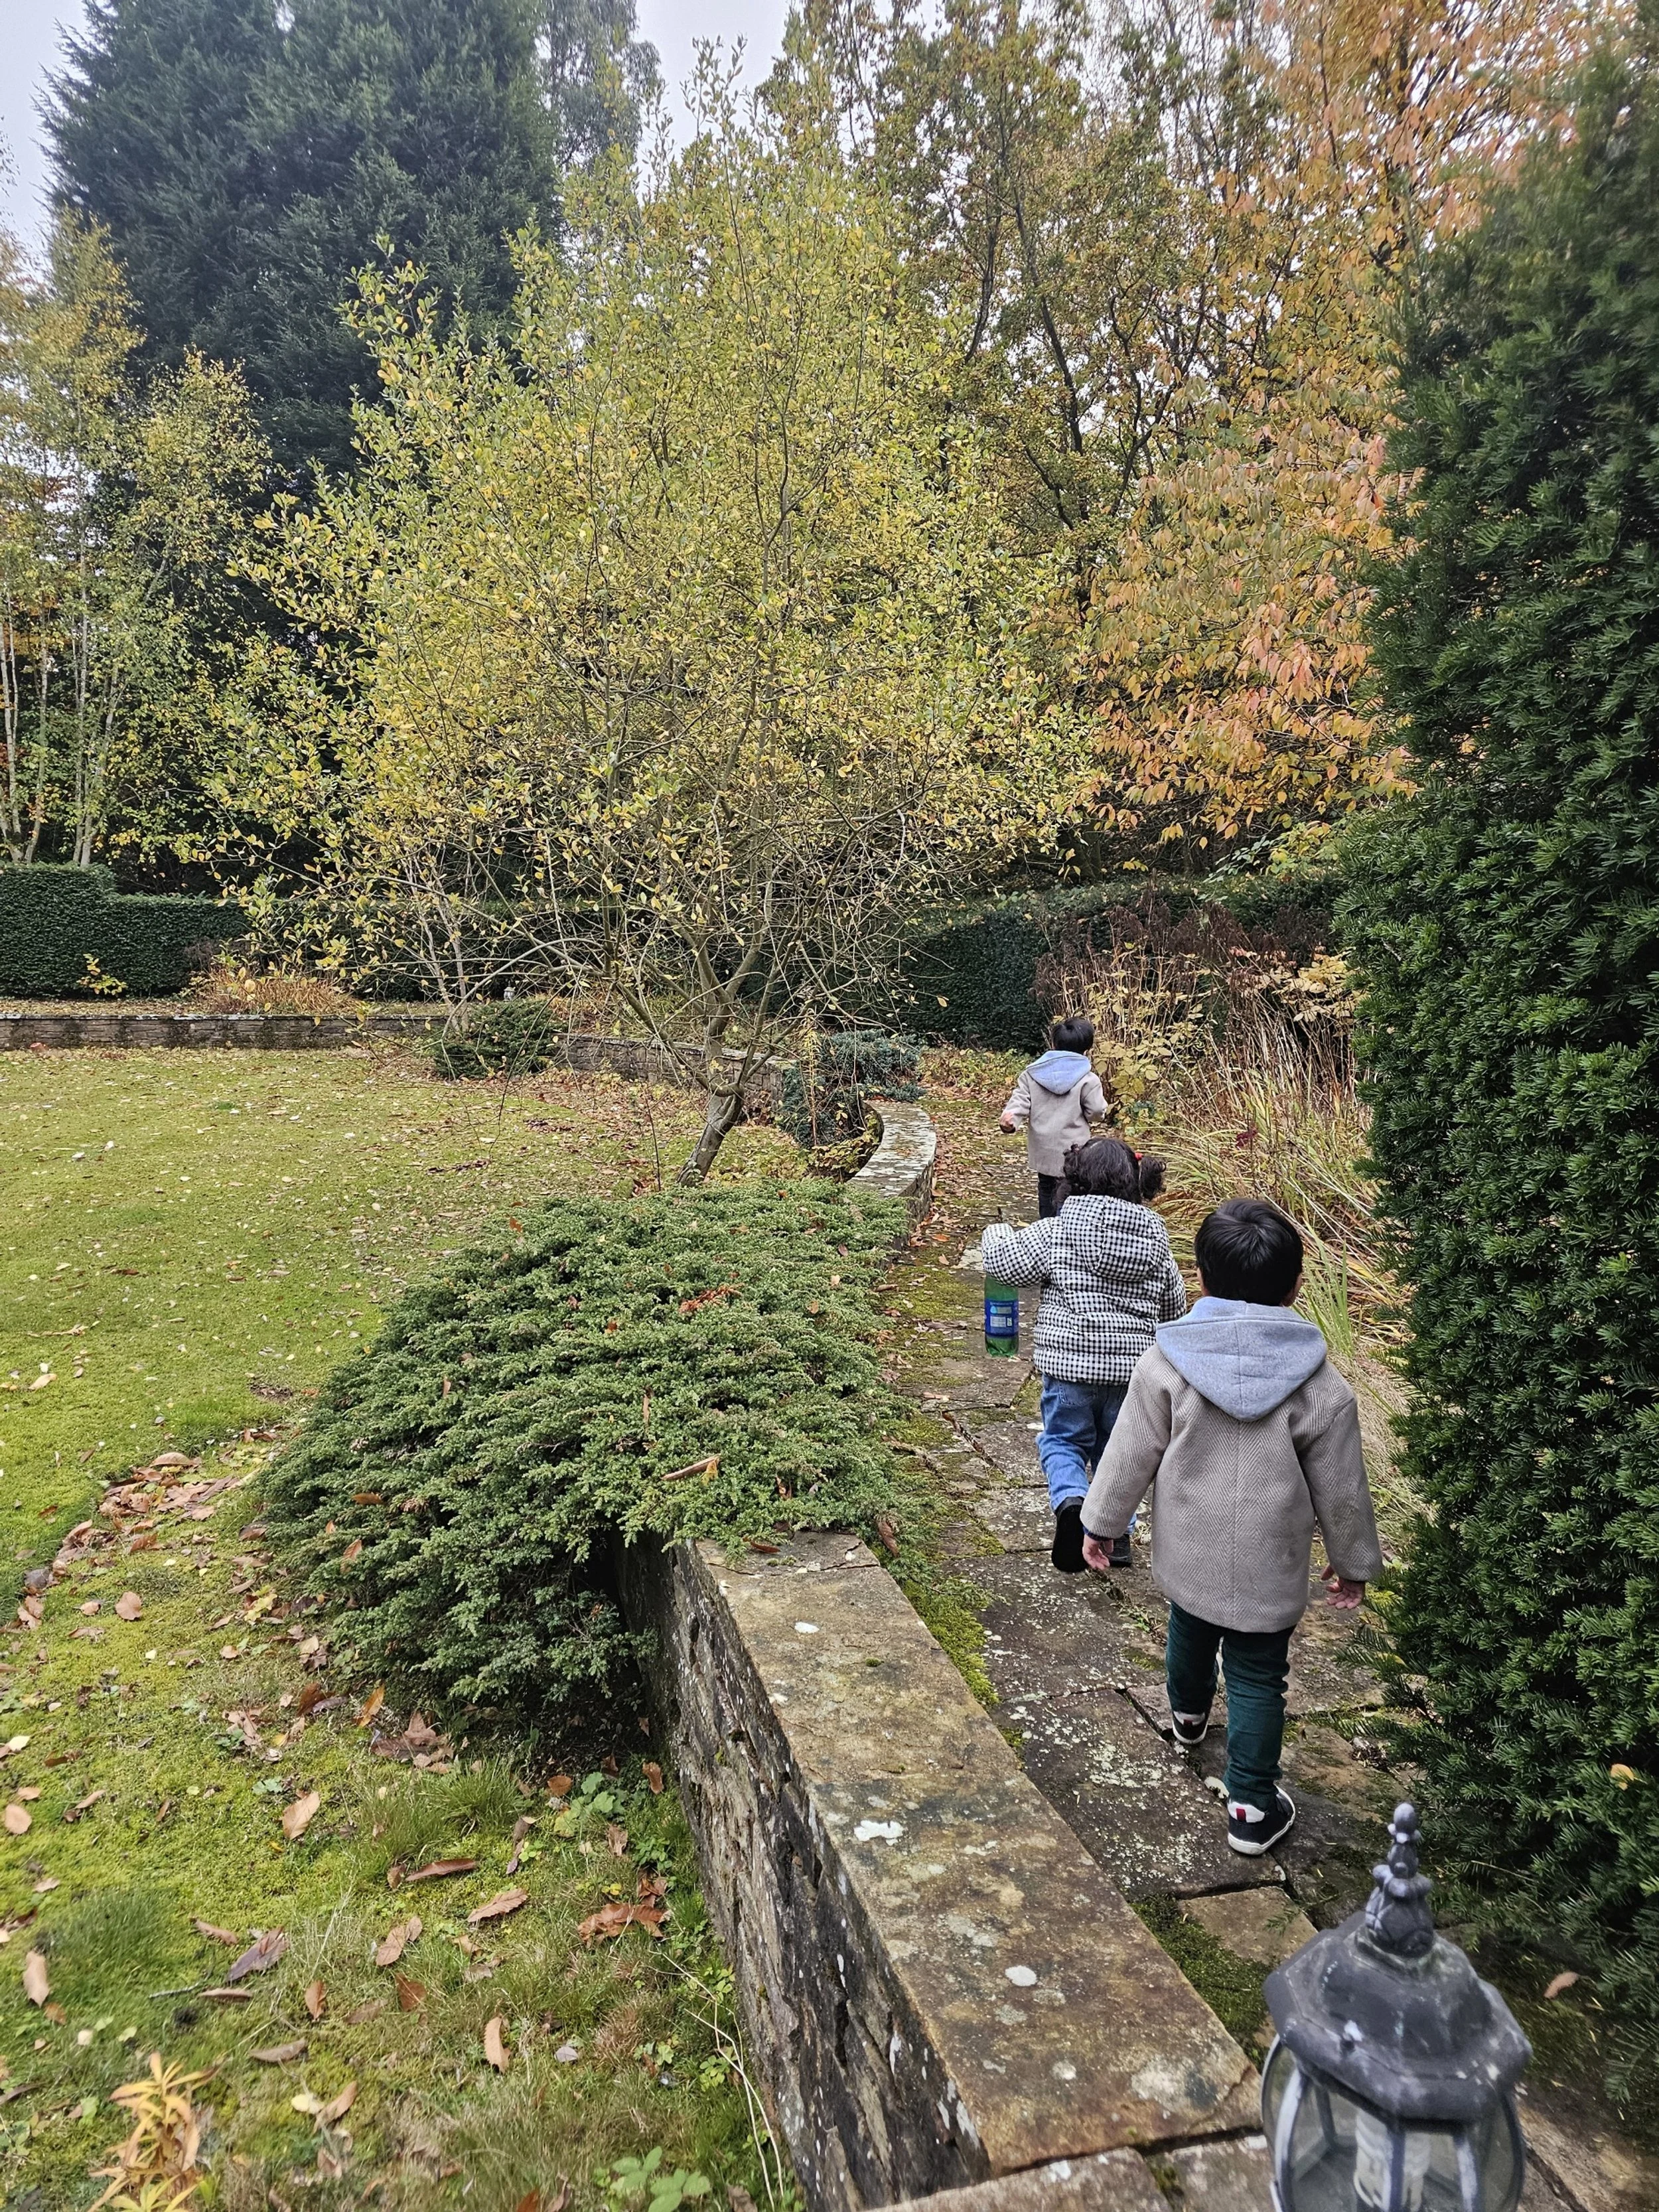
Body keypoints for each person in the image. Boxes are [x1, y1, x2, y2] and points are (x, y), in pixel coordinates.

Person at [1079, 1197, 1384, 1858]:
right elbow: (1342, 1487)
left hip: (1190, 1545)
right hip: (1269, 1561)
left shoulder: (1167, 1364)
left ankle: (1187, 1717)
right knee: (1255, 1674)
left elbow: (1129, 1451)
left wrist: (1100, 1523)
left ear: (1202, 1278)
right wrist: (1352, 1561)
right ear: (1295, 1286)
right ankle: (1249, 1804)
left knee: (1188, 1627)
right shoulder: (1321, 1386)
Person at [981, 1136, 1185, 1575]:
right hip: (1133, 1375)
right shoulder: (1157, 1242)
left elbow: (1003, 1262)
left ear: (1072, 1183)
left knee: (1063, 1442)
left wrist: (995, 1231)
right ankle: (1117, 1535)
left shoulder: (1059, 1231)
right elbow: (1174, 1307)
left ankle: (1072, 1502)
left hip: (1070, 1370)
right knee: (1121, 1453)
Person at [999, 1018, 1111, 1218]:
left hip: (1043, 1148)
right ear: (1087, 1047)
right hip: (1074, 1151)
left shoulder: (1032, 1074)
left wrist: (1011, 1118)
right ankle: (1065, 1232)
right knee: (1071, 1192)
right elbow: (1096, 1112)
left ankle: (1046, 1230)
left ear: (1054, 1044)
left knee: (1046, 1187)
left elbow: (1020, 1100)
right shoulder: (1088, 1079)